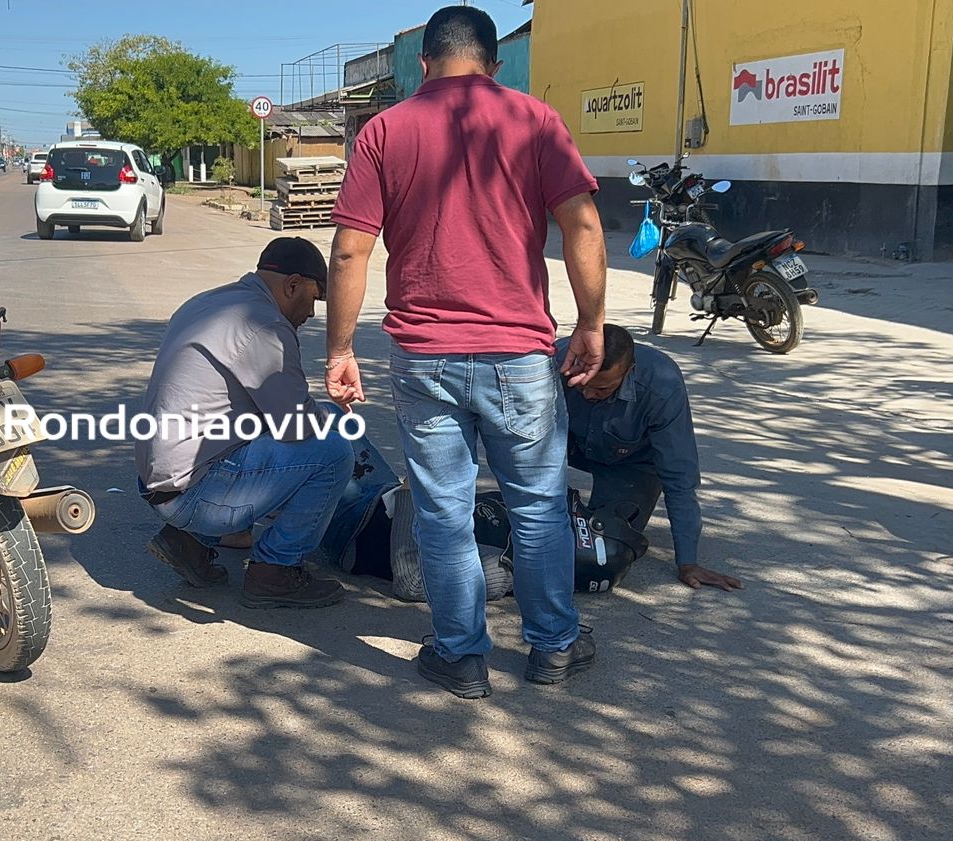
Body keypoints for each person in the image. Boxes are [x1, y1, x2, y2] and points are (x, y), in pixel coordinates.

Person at [323, 6, 610, 699]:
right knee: (538, 508)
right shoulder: (535, 121)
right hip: (517, 353)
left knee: (443, 513)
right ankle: (553, 647)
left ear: (423, 64)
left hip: (424, 359)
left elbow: (348, 250)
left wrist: (339, 348)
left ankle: (460, 655)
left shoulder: (384, 131)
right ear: (494, 62)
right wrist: (592, 324)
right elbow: (583, 222)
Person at [135, 237, 354, 609]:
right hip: (193, 492)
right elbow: (297, 424)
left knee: (308, 423)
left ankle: (189, 543)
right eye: (315, 299)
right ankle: (275, 571)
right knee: (334, 452)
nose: (313, 314)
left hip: (159, 479)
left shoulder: (210, 301)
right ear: (292, 285)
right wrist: (330, 424)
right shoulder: (265, 325)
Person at [559, 327, 743, 593]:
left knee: (605, 548)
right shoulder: (555, 361)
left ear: (629, 371)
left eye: (601, 388)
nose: (587, 394)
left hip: (629, 462)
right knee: (537, 525)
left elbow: (679, 476)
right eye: (582, 383)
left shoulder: (662, 385)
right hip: (564, 441)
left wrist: (688, 562)